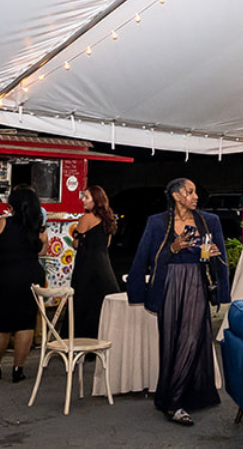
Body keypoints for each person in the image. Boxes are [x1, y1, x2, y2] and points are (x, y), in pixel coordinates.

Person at [126, 178, 230, 426]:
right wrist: (171, 248)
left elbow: (216, 258)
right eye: (190, 191)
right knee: (171, 341)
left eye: (196, 192)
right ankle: (171, 396)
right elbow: (144, 257)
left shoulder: (209, 221)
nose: (195, 196)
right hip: (169, 285)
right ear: (176, 194)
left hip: (195, 283)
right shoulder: (157, 222)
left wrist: (212, 256)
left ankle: (173, 403)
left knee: (192, 338)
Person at [0, 187, 47, 382]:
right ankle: (18, 369)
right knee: (26, 323)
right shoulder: (38, 226)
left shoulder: (3, 223)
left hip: (8, 275)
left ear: (13, 206)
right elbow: (42, 251)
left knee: (2, 323)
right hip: (32, 275)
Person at [68, 184, 121, 339]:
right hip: (104, 265)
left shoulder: (86, 218)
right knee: (102, 304)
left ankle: (82, 342)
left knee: (84, 305)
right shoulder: (108, 220)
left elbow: (76, 244)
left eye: (86, 197)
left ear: (96, 201)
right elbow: (107, 244)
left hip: (87, 265)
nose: (83, 200)